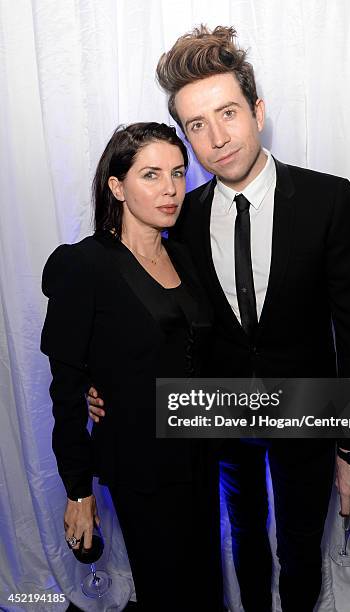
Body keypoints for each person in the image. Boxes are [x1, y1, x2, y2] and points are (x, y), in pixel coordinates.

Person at [88, 26, 350, 612]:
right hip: (219, 415)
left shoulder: (329, 199)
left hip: (306, 407)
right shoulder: (182, 216)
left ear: (258, 110)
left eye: (228, 113)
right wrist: (104, 384)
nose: (216, 138)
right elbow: (154, 313)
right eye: (196, 124)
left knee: (299, 545)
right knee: (243, 538)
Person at [41, 122, 223, 612]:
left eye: (179, 173)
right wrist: (78, 491)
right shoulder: (86, 265)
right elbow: (64, 391)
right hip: (140, 461)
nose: (170, 188)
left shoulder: (184, 255)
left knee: (206, 586)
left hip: (200, 454)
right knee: (166, 587)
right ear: (117, 187)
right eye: (151, 174)